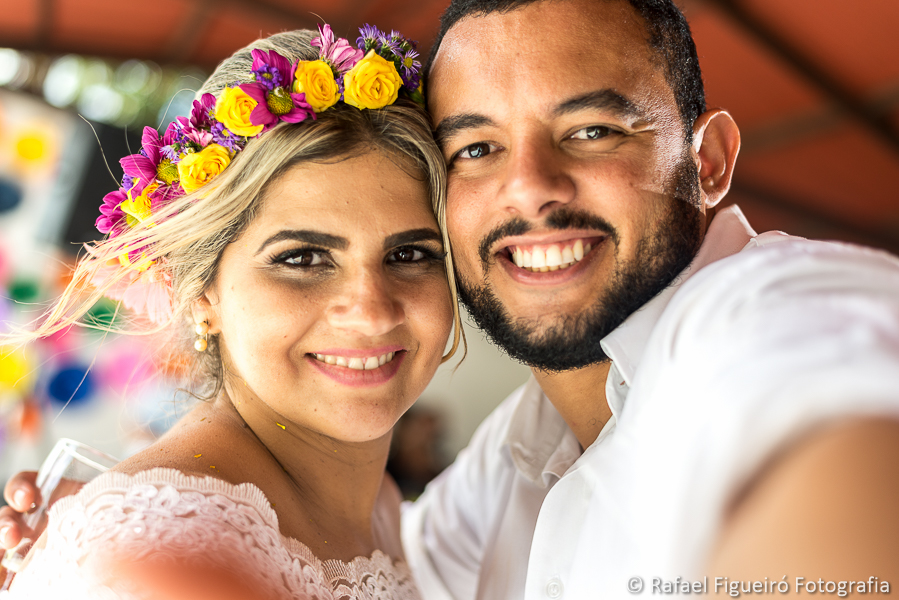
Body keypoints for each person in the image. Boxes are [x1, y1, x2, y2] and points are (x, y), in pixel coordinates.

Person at [5, 0, 899, 598]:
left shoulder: (765, 313)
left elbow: (841, 431)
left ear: (706, 163)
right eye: (475, 148)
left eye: (589, 130)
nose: (529, 190)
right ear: (199, 293)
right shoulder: (518, 448)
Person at [0, 25, 463, 600]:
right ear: (201, 293)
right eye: (303, 258)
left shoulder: (382, 509)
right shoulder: (160, 558)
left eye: (410, 254)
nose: (371, 312)